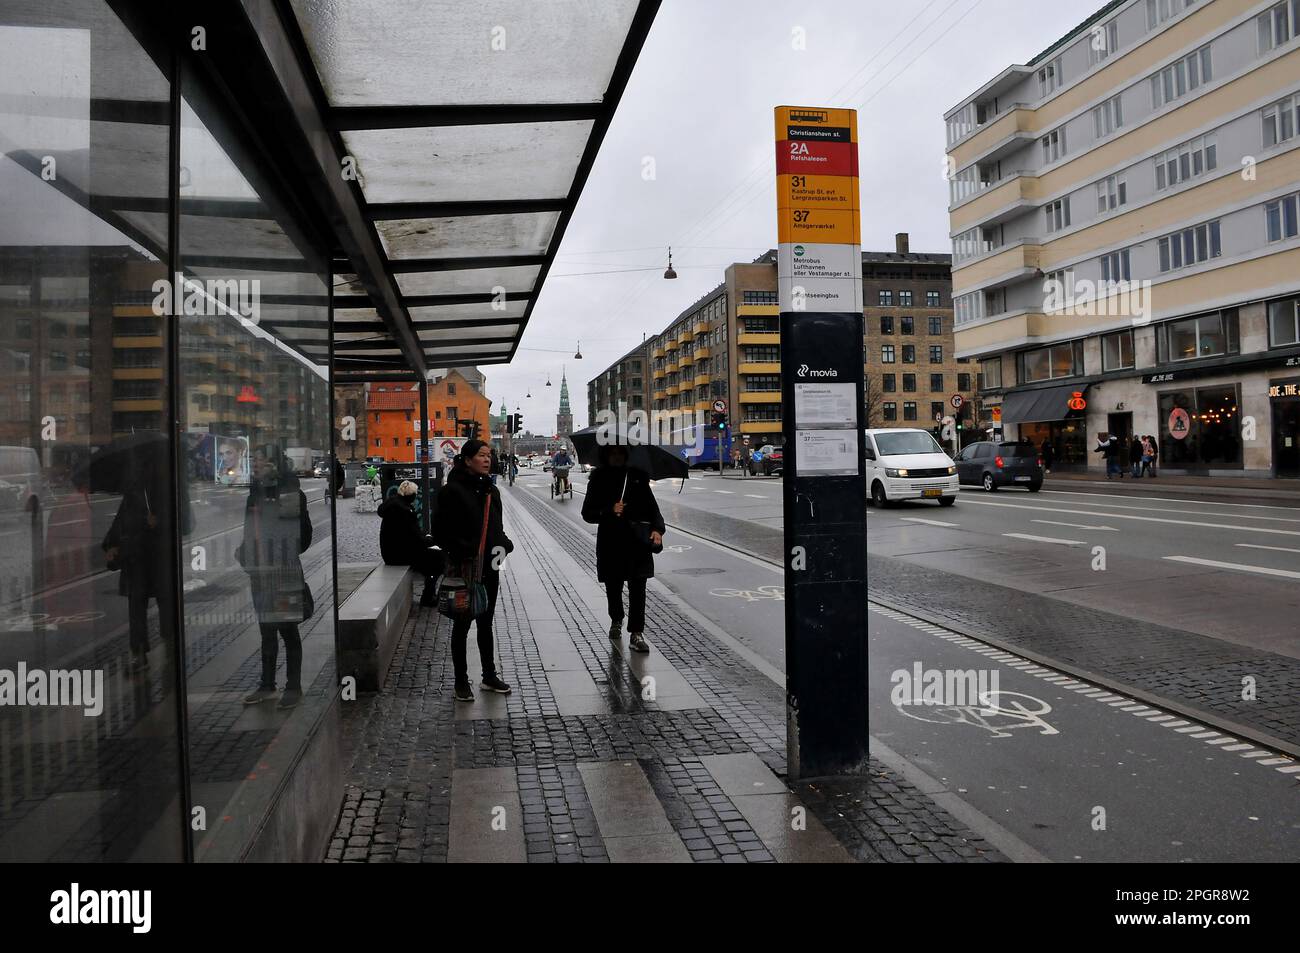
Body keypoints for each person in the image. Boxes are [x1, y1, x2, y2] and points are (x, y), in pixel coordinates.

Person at [433, 439, 513, 701]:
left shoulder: (491, 491)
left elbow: (496, 527)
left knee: (486, 622)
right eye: (481, 455)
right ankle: (460, 681)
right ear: (467, 459)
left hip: (489, 566)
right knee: (462, 623)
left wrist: (504, 543)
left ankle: (489, 675)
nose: (487, 459)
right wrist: (464, 548)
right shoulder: (451, 492)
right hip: (464, 567)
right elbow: (440, 533)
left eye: (489, 455)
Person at [239, 449, 313, 710]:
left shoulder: (291, 495)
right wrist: (245, 556)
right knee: (266, 630)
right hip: (260, 573)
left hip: (283, 572)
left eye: (260, 461)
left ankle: (293, 686)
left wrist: (280, 555)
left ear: (275, 466)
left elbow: (302, 538)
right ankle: (267, 684)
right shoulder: (254, 496)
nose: (255, 465)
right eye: (254, 461)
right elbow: (249, 532)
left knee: (288, 631)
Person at [581, 445, 665, 654]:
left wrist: (657, 529)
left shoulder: (637, 477)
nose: (617, 457)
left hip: (637, 541)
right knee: (613, 584)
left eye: (620, 453)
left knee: (638, 587)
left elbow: (652, 508)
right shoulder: (598, 479)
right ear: (606, 456)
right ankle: (616, 618)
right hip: (612, 541)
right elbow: (588, 513)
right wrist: (609, 510)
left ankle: (636, 633)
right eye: (613, 453)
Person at [103, 485, 172, 672]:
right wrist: (111, 545)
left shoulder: (164, 490)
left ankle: (170, 643)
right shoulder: (133, 493)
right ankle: (139, 653)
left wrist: (159, 523)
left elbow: (185, 522)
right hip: (135, 558)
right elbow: (120, 522)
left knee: (165, 604)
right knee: (136, 608)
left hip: (158, 558)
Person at [379, 480, 443, 606]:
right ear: (412, 495)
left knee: (432, 557)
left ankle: (429, 594)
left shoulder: (393, 505)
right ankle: (428, 596)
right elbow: (415, 538)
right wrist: (431, 541)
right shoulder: (405, 511)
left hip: (391, 552)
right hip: (400, 555)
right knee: (437, 560)